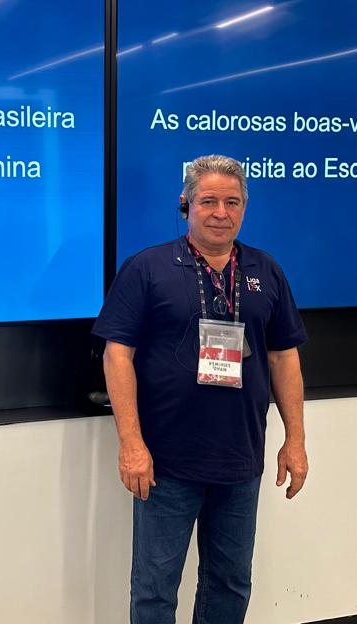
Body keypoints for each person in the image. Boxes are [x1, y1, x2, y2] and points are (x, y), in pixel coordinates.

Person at [93, 154, 309, 624]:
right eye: (208, 201)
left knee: (230, 582)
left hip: (240, 459)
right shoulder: (147, 268)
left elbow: (283, 357)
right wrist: (131, 444)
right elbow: (117, 356)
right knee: (154, 589)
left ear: (244, 208)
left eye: (232, 202)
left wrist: (295, 439)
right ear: (185, 205)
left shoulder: (266, 270)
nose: (220, 212)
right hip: (166, 462)